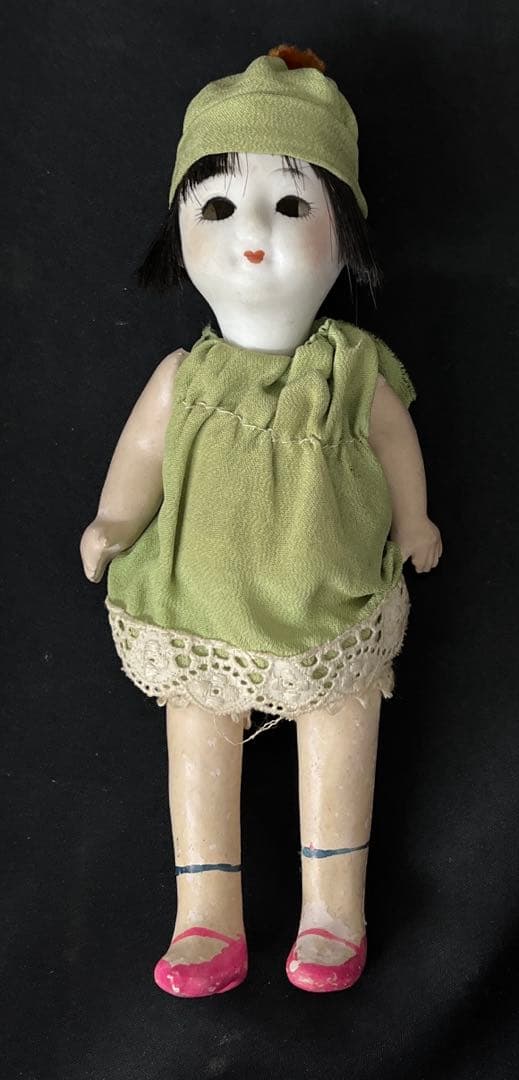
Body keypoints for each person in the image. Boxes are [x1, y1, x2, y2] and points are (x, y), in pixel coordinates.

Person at [80, 44, 442, 997]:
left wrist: (413, 521)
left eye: (290, 204)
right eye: (215, 207)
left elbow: (396, 445)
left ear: (344, 232)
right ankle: (206, 915)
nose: (252, 235)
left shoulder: (354, 371)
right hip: (196, 604)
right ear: (178, 232)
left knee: (341, 726)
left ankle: (333, 911)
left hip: (332, 602)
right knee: (197, 731)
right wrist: (113, 520)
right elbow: (142, 456)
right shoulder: (185, 376)